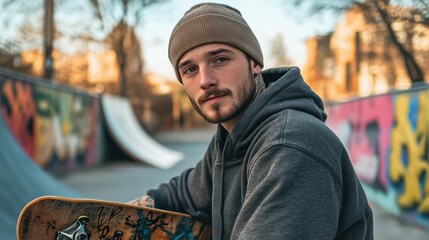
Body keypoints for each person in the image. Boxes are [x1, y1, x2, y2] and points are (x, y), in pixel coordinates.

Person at [129, 2, 373, 239]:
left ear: (254, 63)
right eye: (190, 69)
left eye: (220, 60)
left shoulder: (289, 144)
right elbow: (182, 194)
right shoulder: (231, 142)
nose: (205, 80)